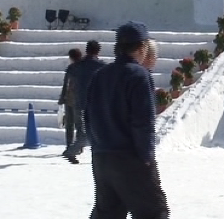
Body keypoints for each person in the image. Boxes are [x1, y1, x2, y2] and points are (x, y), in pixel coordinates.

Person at [85, 21, 169, 218]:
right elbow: (143, 121)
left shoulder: (100, 74)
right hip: (129, 157)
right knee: (154, 212)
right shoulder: (139, 75)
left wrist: (98, 147)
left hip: (102, 158)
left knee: (109, 213)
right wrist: (146, 156)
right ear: (142, 47)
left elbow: (88, 117)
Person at [62, 39, 105, 164]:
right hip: (94, 103)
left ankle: (77, 151)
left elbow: (69, 78)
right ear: (98, 51)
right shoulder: (101, 66)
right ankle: (71, 151)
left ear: (86, 50)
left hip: (77, 102)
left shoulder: (76, 66)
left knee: (82, 130)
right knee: (90, 132)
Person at [57, 48, 83, 148]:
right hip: (78, 100)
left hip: (70, 100)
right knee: (79, 125)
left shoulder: (71, 68)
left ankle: (69, 144)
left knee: (70, 124)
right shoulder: (83, 68)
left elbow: (66, 85)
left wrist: (62, 98)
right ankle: (79, 145)